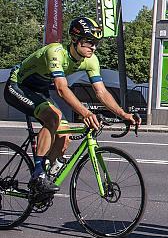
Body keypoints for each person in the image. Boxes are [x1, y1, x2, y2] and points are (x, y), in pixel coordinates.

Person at [4, 16, 141, 193]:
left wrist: (123, 115)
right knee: (53, 118)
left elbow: (101, 92)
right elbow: (61, 89)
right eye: (89, 42)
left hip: (39, 91)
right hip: (17, 86)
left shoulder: (91, 60)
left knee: (65, 136)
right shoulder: (55, 52)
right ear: (75, 39)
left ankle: (43, 180)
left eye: (96, 43)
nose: (93, 47)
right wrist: (86, 113)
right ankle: (38, 175)